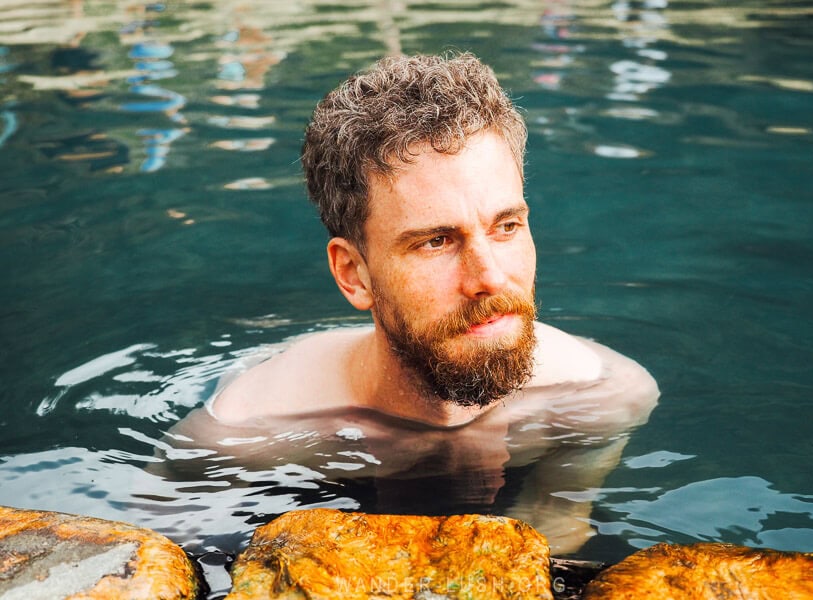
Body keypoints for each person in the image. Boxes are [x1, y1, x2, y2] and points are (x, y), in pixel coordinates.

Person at [168, 52, 659, 554]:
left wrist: (559, 509)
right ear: (353, 275)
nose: (488, 277)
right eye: (435, 242)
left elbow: (560, 522)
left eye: (506, 227)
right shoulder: (244, 437)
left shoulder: (603, 398)